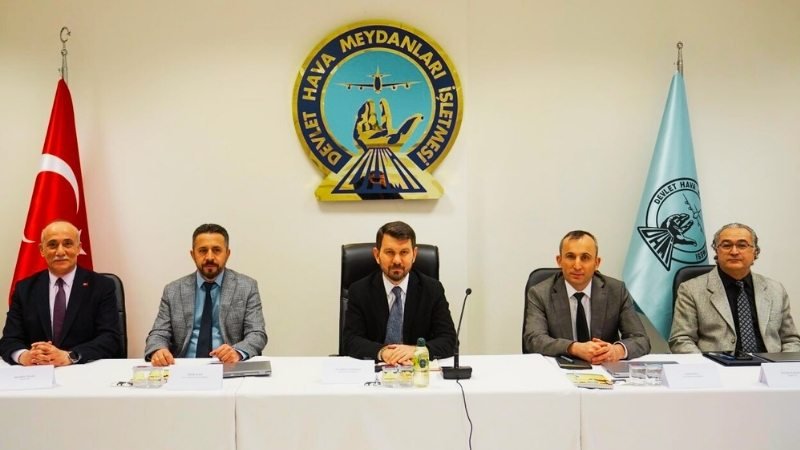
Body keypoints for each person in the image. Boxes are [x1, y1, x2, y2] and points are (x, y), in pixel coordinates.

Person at [0, 220, 120, 365]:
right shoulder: (25, 289)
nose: (60, 252)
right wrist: (24, 356)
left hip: (83, 369)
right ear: (42, 250)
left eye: (68, 244)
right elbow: (9, 340)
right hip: (38, 370)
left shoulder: (101, 286)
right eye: (52, 245)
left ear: (78, 248)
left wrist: (70, 356)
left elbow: (110, 338)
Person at [145, 223, 267, 366]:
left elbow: (257, 334)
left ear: (227, 254)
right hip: (184, 367)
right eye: (202, 251)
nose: (209, 257)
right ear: (193, 255)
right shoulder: (173, 290)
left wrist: (237, 352)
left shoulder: (247, 287)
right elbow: (158, 334)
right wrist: (159, 350)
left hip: (228, 366)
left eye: (216, 250)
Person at [670, 223, 800, 353]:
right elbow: (681, 340)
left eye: (742, 245)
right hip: (717, 364)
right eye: (726, 245)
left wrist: (783, 363)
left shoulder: (775, 289)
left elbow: (790, 340)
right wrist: (706, 364)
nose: (734, 252)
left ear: (755, 252)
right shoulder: (691, 289)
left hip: (770, 363)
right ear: (716, 251)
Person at [523, 230, 650, 363]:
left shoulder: (616, 291)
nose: (577, 266)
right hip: (562, 368)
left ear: (597, 262)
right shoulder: (540, 293)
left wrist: (617, 350)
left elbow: (641, 339)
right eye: (570, 256)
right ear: (559, 261)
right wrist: (574, 348)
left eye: (585, 258)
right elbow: (533, 340)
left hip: (605, 367)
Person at [342, 221, 457, 364]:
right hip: (376, 370)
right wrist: (383, 352)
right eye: (389, 252)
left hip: (417, 370)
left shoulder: (432, 289)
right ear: (377, 255)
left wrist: (417, 351)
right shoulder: (359, 290)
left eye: (404, 252)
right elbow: (350, 341)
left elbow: (449, 340)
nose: (397, 260)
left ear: (414, 254)